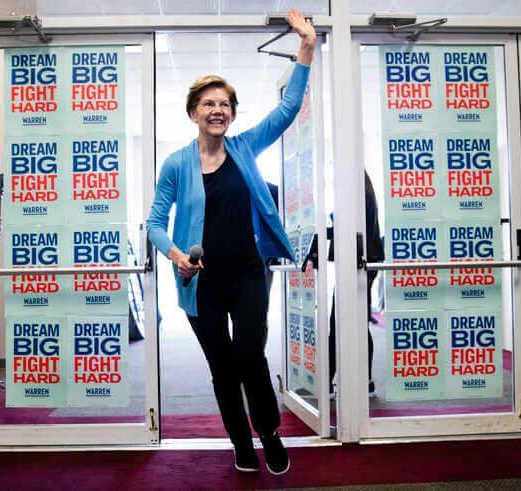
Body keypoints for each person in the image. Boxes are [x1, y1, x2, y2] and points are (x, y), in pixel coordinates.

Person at [146, 9, 315, 475]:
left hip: (247, 274)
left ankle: (269, 433)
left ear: (232, 113)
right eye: (208, 104)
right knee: (222, 365)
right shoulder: (176, 165)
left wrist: (306, 49)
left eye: (224, 104)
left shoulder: (244, 147)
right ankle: (240, 442)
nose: (217, 110)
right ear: (193, 113)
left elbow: (286, 111)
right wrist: (176, 255)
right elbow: (155, 223)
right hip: (200, 283)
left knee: (250, 355)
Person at [328, 171, 384, 397]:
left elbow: (349, 229)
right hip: (363, 261)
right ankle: (365, 381)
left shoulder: (355, 195)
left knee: (338, 323)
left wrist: (328, 225)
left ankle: (328, 382)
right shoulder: (363, 192)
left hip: (357, 263)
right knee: (356, 323)